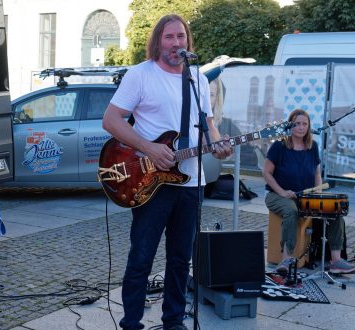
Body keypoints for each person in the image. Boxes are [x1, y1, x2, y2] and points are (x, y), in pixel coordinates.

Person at [102, 14, 232, 330]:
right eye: (170, 37)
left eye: (181, 37)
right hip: (150, 181)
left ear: (188, 42)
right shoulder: (140, 75)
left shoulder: (198, 79)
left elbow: (208, 125)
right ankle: (131, 322)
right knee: (142, 257)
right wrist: (149, 148)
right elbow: (111, 120)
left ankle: (173, 320)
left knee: (179, 259)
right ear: (158, 41)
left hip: (191, 181)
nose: (176, 43)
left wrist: (217, 144)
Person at [263, 109, 355, 275]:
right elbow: (267, 173)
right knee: (291, 211)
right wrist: (283, 192)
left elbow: (317, 174)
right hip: (276, 195)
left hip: (304, 196)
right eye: (297, 123)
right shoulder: (279, 146)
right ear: (290, 126)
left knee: (334, 209)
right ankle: (286, 259)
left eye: (304, 124)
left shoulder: (312, 147)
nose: (301, 127)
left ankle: (336, 260)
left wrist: (318, 194)